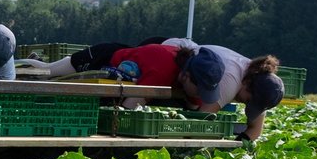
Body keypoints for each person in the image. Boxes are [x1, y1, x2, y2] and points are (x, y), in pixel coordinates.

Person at [22, 40, 222, 109]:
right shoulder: (161, 73)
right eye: (201, 89)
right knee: (49, 72)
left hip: (125, 66)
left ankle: (33, 67)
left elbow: (195, 104)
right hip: (104, 58)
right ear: (186, 76)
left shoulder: (192, 75)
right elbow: (130, 106)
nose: (201, 94)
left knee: (53, 75)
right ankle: (21, 69)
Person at [162, 39, 285, 140]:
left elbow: (255, 131)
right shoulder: (231, 79)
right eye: (247, 101)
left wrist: (235, 149)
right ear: (247, 83)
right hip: (168, 55)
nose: (246, 104)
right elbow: (199, 122)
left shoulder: (259, 85)